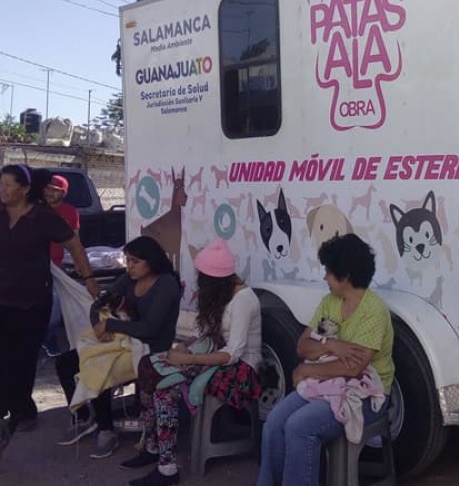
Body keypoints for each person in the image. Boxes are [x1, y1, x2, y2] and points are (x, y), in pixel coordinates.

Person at [257, 233, 395, 486]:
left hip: (364, 394)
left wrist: (307, 372)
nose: (324, 278)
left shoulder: (374, 311)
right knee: (274, 422)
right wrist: (332, 344)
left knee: (299, 427)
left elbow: (353, 368)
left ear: (347, 276)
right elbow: (303, 346)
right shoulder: (330, 303)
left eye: (329, 272)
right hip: (326, 386)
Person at [122, 238, 262, 486]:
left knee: (165, 388)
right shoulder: (220, 294)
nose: (200, 282)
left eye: (204, 277)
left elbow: (233, 354)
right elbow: (205, 333)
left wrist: (188, 358)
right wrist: (185, 346)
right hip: (210, 355)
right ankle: (152, 447)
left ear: (216, 279)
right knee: (148, 369)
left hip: (238, 371)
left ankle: (167, 469)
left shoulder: (244, 300)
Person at [58, 235, 182, 458]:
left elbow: (150, 329)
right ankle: (86, 417)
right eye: (128, 261)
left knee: (99, 367)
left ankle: (107, 430)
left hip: (152, 349)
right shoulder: (129, 279)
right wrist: (99, 325)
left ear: (150, 260)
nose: (130, 266)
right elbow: (98, 304)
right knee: (65, 362)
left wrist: (110, 324)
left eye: (135, 261)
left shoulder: (166, 284)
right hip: (125, 340)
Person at [0, 164, 99, 435]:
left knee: (23, 357)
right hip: (2, 298)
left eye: (8, 185)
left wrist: (89, 279)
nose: (3, 190)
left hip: (33, 300)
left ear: (24, 189)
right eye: (1, 184)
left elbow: (74, 245)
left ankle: (23, 411)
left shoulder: (42, 217)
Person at [43, 174, 80, 356]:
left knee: (55, 304)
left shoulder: (70, 212)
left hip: (57, 266)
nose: (49, 192)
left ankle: (48, 338)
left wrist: (77, 263)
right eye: (48, 188)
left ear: (63, 193)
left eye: (55, 190)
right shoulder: (36, 208)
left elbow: (75, 239)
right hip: (34, 263)